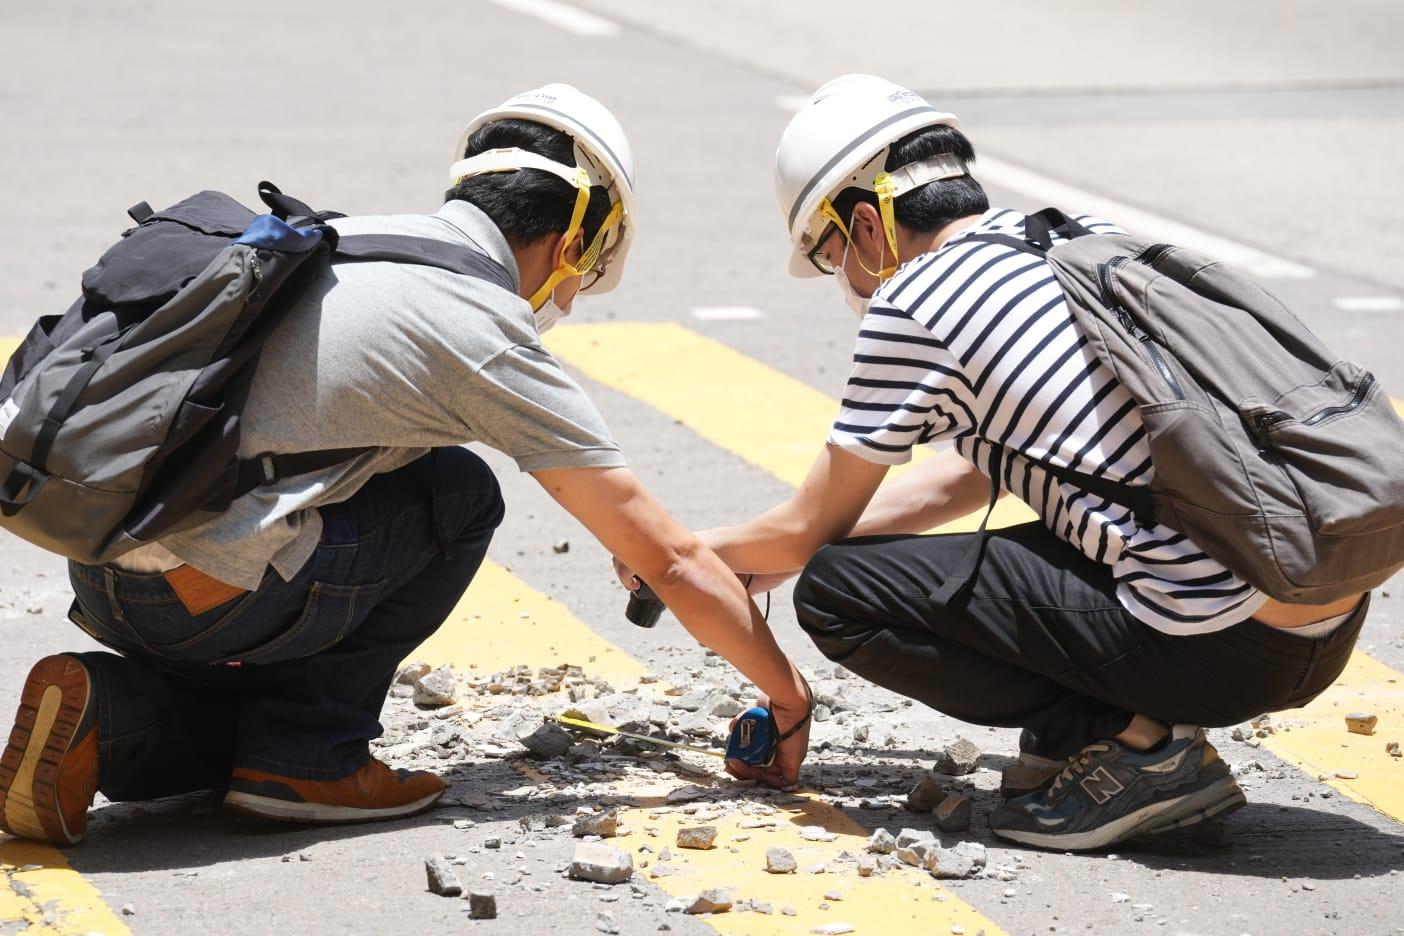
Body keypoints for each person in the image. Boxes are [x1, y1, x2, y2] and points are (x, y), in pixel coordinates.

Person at [0, 84, 810, 847]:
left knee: (296, 628)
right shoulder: (480, 322)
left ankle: (110, 714)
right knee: (457, 495)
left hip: (98, 557)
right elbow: (667, 559)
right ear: (572, 244)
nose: (567, 296)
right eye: (581, 273)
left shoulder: (355, 238)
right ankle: (311, 758)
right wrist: (786, 695)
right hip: (201, 598)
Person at [619, 74, 1369, 851]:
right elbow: (973, 473)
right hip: (1314, 610)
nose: (841, 276)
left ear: (868, 225)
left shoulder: (915, 300)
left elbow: (810, 528)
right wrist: (774, 549)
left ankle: (1139, 746)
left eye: (830, 252)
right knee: (867, 556)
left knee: (838, 593)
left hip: (1218, 643)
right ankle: (1105, 736)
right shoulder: (1080, 237)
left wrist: (689, 555)